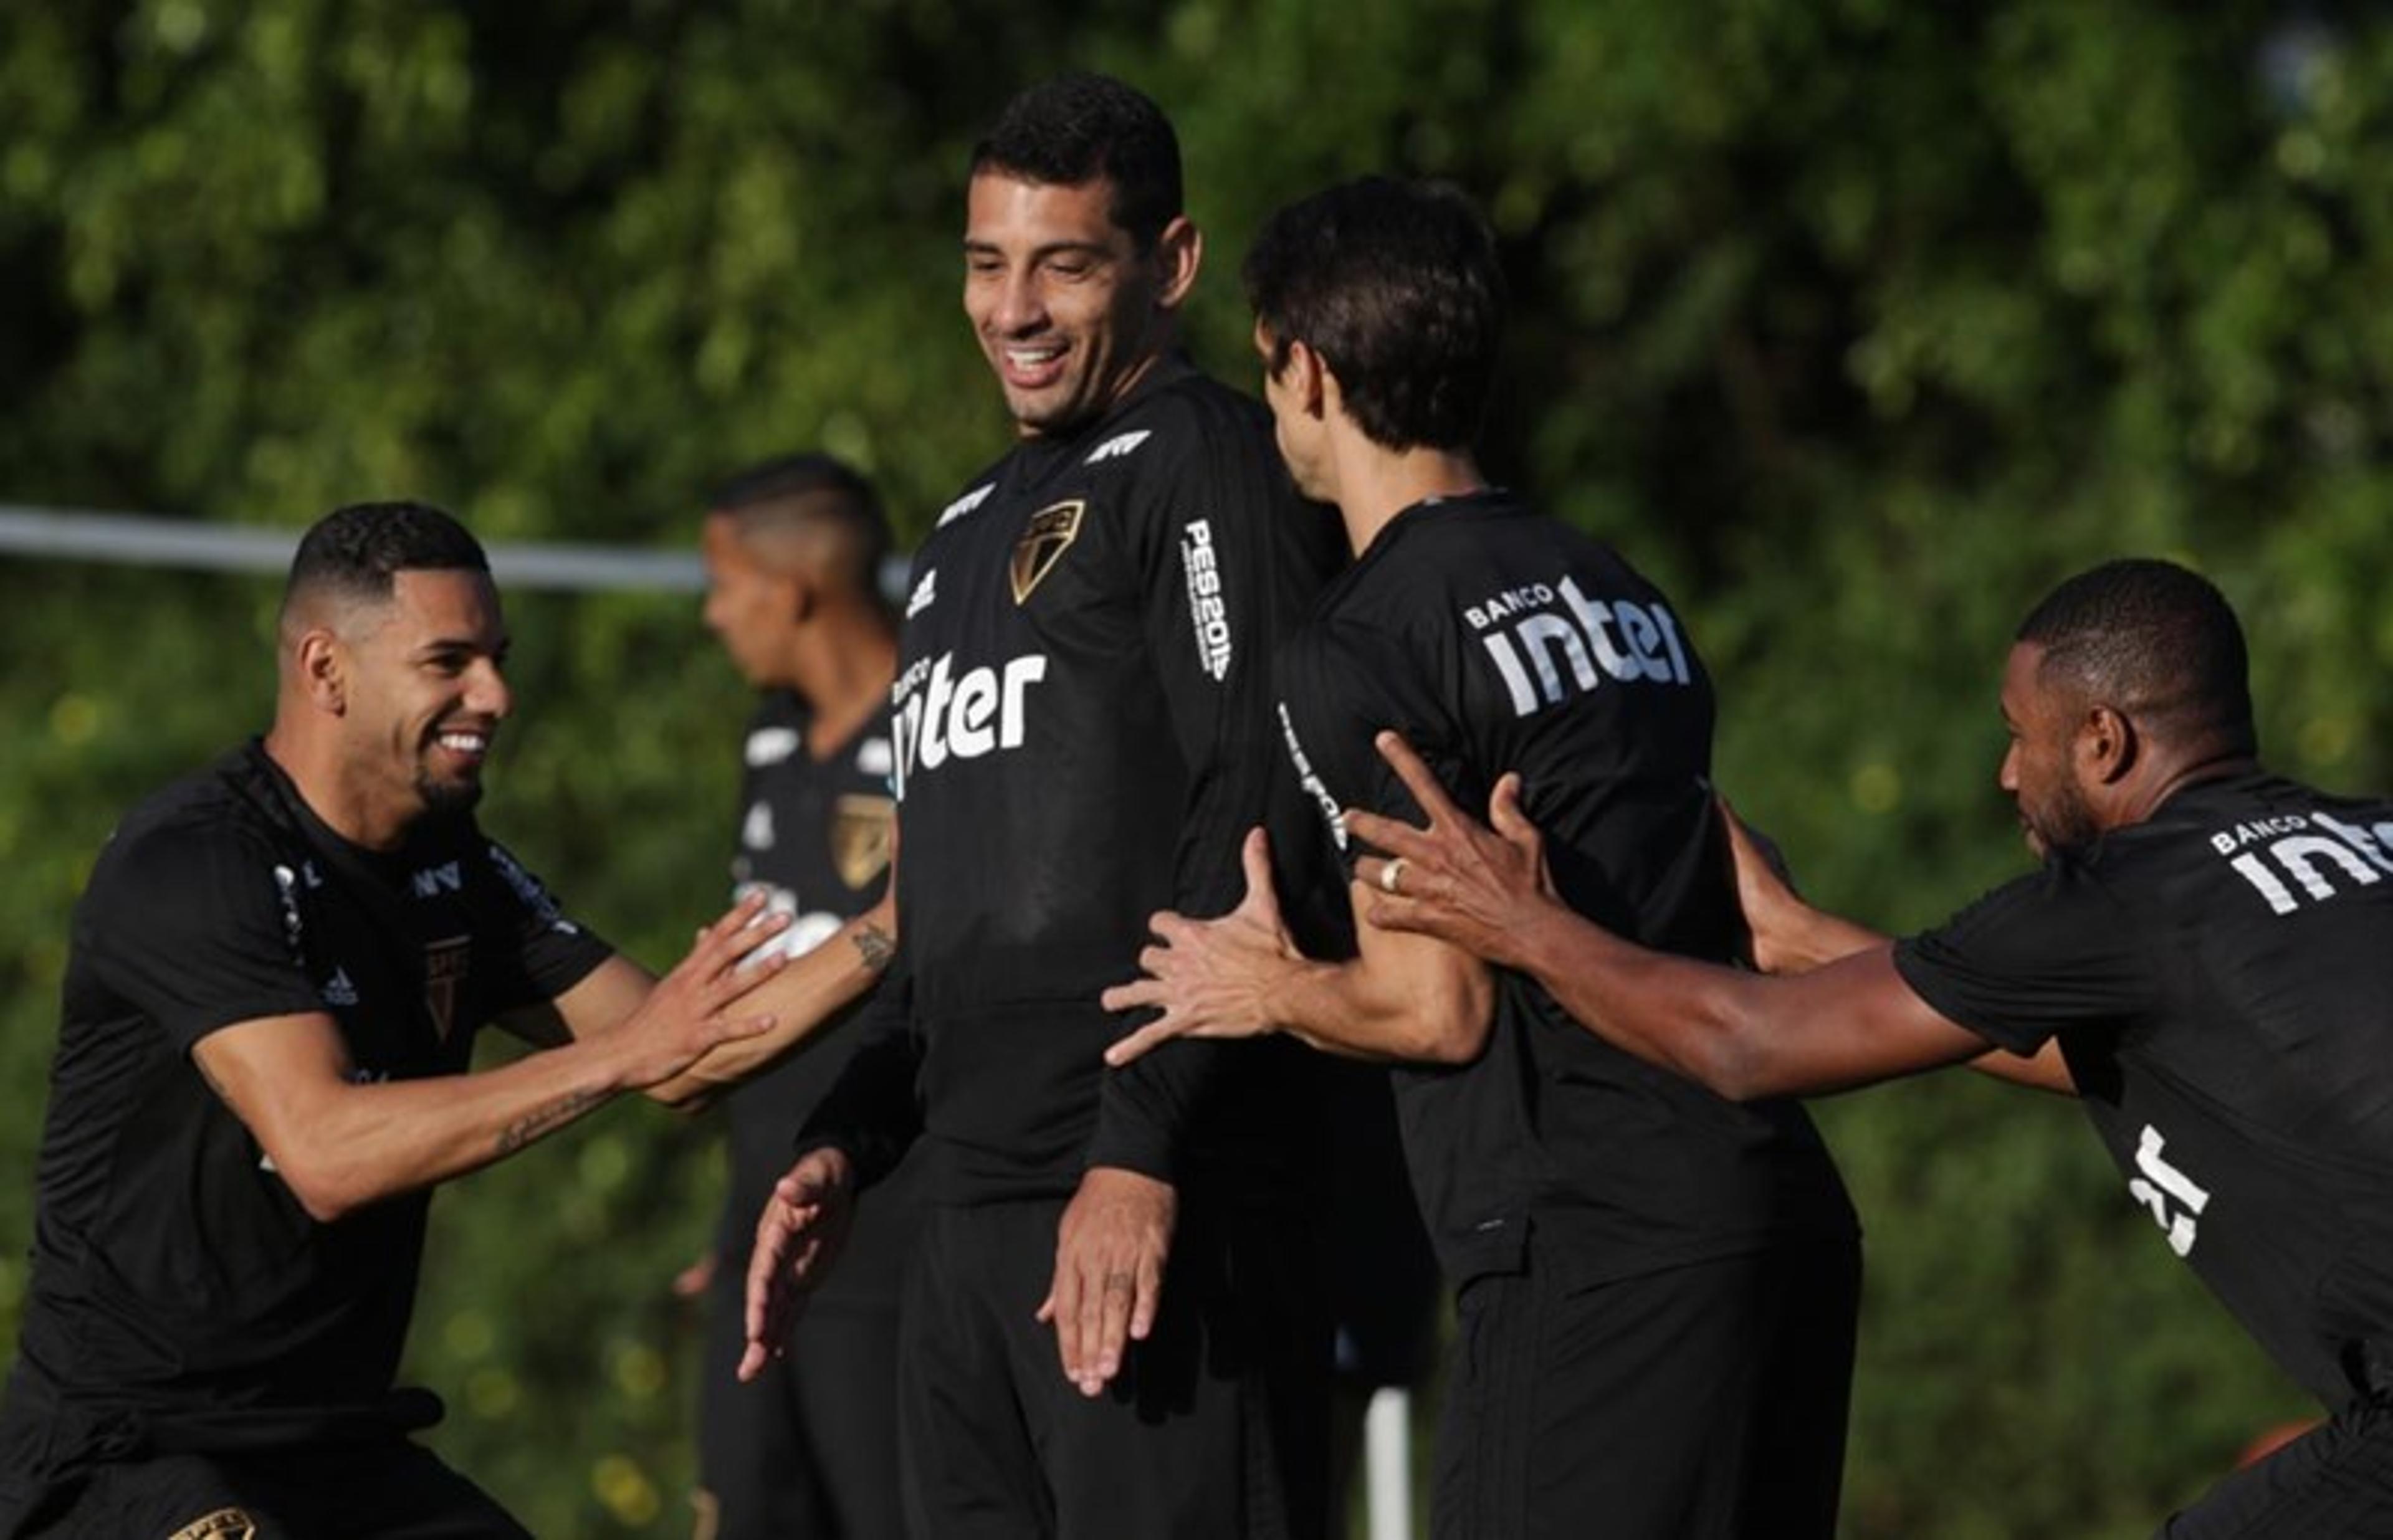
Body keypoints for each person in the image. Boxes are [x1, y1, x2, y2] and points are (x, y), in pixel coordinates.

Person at [1335, 556, 2393, 1538]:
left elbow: (1742, 1046)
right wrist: (1803, 941)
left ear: (2103, 742)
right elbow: (2120, 1059)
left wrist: (1522, 925)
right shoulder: (2360, 842)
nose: (2006, 775)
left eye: (2020, 734)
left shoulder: (2121, 898)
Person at [1102, 176, 1861, 1539]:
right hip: (1778, 1212)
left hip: (1594, 1240)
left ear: (1311, 373)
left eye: (1270, 365)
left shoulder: (1358, 645)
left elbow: (1438, 1014)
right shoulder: (1619, 583)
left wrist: (1262, 986)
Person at [0, 502, 899, 1540]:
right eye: (450, 662)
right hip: (131, 1461)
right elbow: (327, 1153)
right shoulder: (198, 864)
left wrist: (903, 917)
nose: (496, 695)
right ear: (326, 670)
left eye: (498, 658)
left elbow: (690, 1054)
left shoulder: (454, 867)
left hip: (337, 1451)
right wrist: (618, 1059)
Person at [740, 74, 1347, 1540]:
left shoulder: (1203, 461)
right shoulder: (958, 533)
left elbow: (1252, 802)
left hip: (1151, 1206)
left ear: (1172, 265)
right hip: (964, 1222)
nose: (1015, 308)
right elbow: (943, 900)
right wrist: (846, 1136)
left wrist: (1139, 1153)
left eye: (1066, 264)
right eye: (987, 262)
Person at [689, 454, 910, 1539]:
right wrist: (733, 1224)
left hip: (887, 1246)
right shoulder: (772, 733)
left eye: (724, 583)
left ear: (791, 588)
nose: (713, 615)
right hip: (756, 1247)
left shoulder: (941, 718)